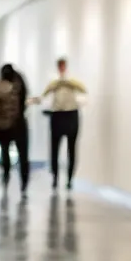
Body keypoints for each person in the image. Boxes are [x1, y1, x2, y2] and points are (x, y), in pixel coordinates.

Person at [34, 57, 88, 191]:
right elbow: (45, 93)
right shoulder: (53, 81)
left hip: (71, 114)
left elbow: (82, 88)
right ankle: (55, 177)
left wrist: (67, 81)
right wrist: (58, 83)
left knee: (72, 149)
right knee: (54, 149)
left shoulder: (72, 79)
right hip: (57, 114)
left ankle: (70, 178)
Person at [0, 64, 31, 195]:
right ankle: (24, 183)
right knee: (23, 155)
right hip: (18, 125)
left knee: (5, 152)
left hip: (1, 127)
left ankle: (6, 176)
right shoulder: (18, 86)